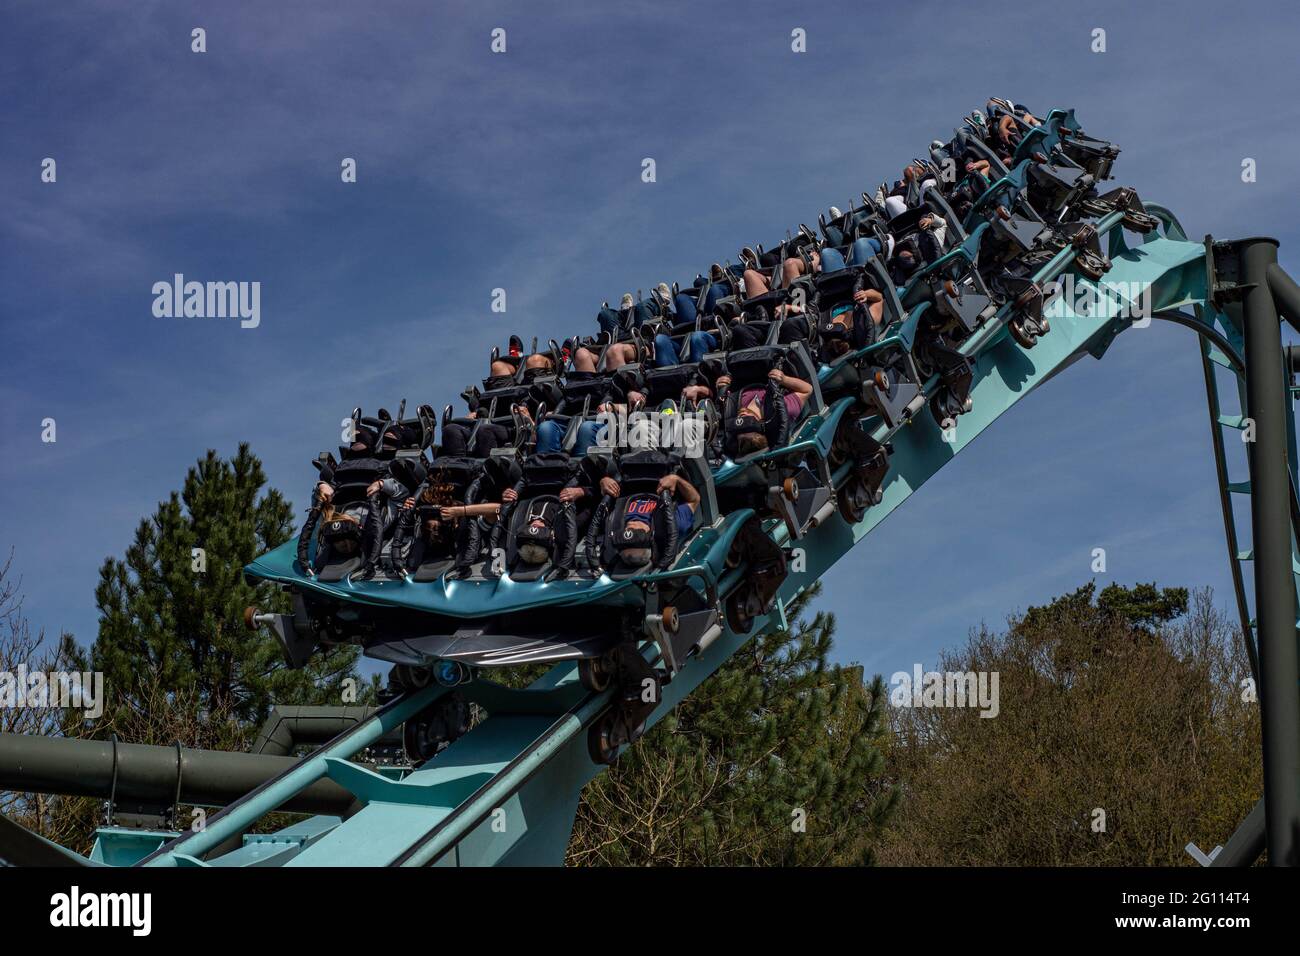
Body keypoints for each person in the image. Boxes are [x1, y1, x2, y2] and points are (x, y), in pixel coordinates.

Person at [598, 472, 701, 566]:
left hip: (630, 476)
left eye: (625, 538)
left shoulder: (611, 524)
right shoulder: (672, 524)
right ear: (650, 539)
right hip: (664, 474)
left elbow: (602, 493)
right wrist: (676, 479)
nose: (629, 530)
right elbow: (694, 499)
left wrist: (604, 481)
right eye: (637, 535)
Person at [718, 367, 812, 457]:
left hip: (738, 373)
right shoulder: (781, 410)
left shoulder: (731, 413)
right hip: (770, 370)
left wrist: (721, 386)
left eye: (738, 428)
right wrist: (784, 379)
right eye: (747, 424)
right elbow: (807, 390)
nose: (740, 420)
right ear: (761, 426)